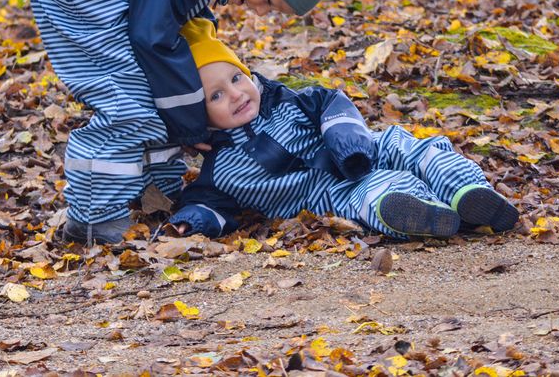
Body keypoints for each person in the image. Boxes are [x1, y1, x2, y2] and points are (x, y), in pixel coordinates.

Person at [25, 0, 347, 244]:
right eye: (270, 1)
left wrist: (188, 115)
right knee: (125, 98)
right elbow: (154, 40)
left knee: (161, 88)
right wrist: (191, 125)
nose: (260, 11)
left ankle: (157, 193)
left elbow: (180, 29)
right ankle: (94, 221)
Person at [167, 18, 519, 239]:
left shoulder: (286, 101)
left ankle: (467, 191)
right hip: (328, 194)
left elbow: (332, 104)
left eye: (236, 78)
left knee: (418, 151)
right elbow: (208, 202)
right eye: (216, 95)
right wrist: (193, 220)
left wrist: (346, 142)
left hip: (364, 149)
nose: (235, 95)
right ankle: (424, 213)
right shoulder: (221, 171)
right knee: (373, 194)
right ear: (198, 116)